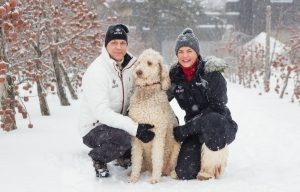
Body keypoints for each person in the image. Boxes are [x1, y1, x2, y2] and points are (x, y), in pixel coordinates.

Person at [78, 24, 155, 178]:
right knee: (124, 138)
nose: (119, 47)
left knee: (142, 133)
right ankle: (98, 157)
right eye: (114, 43)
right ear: (106, 45)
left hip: (120, 123)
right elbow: (102, 113)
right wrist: (134, 128)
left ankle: (123, 154)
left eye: (122, 43)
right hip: (94, 128)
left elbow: (143, 88)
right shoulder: (97, 72)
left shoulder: (131, 66)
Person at [167, 28, 238, 180]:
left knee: (212, 119)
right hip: (195, 130)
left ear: (197, 52)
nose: (185, 56)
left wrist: (185, 129)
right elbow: (161, 99)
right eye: (180, 51)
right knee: (185, 172)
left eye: (189, 51)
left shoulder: (211, 73)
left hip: (219, 125)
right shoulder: (175, 77)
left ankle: (214, 162)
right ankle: (200, 152)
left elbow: (217, 108)